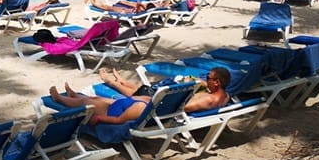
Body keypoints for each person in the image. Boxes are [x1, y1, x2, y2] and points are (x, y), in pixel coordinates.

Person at [98, 67, 230, 113]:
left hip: (165, 106)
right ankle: (123, 81)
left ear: (217, 82)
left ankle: (111, 82)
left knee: (143, 93)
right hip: (166, 98)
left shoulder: (207, 99)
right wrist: (201, 86)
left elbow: (184, 107)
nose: (206, 79)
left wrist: (191, 90)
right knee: (148, 89)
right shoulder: (225, 96)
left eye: (209, 77)